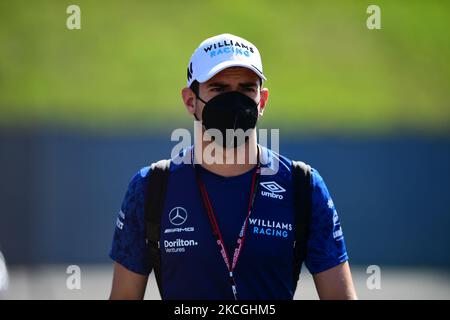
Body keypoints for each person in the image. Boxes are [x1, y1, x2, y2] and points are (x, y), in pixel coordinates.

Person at [109, 33, 357, 300]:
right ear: (190, 100)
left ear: (261, 101)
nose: (234, 101)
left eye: (246, 89)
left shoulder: (302, 186)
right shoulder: (151, 187)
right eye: (219, 89)